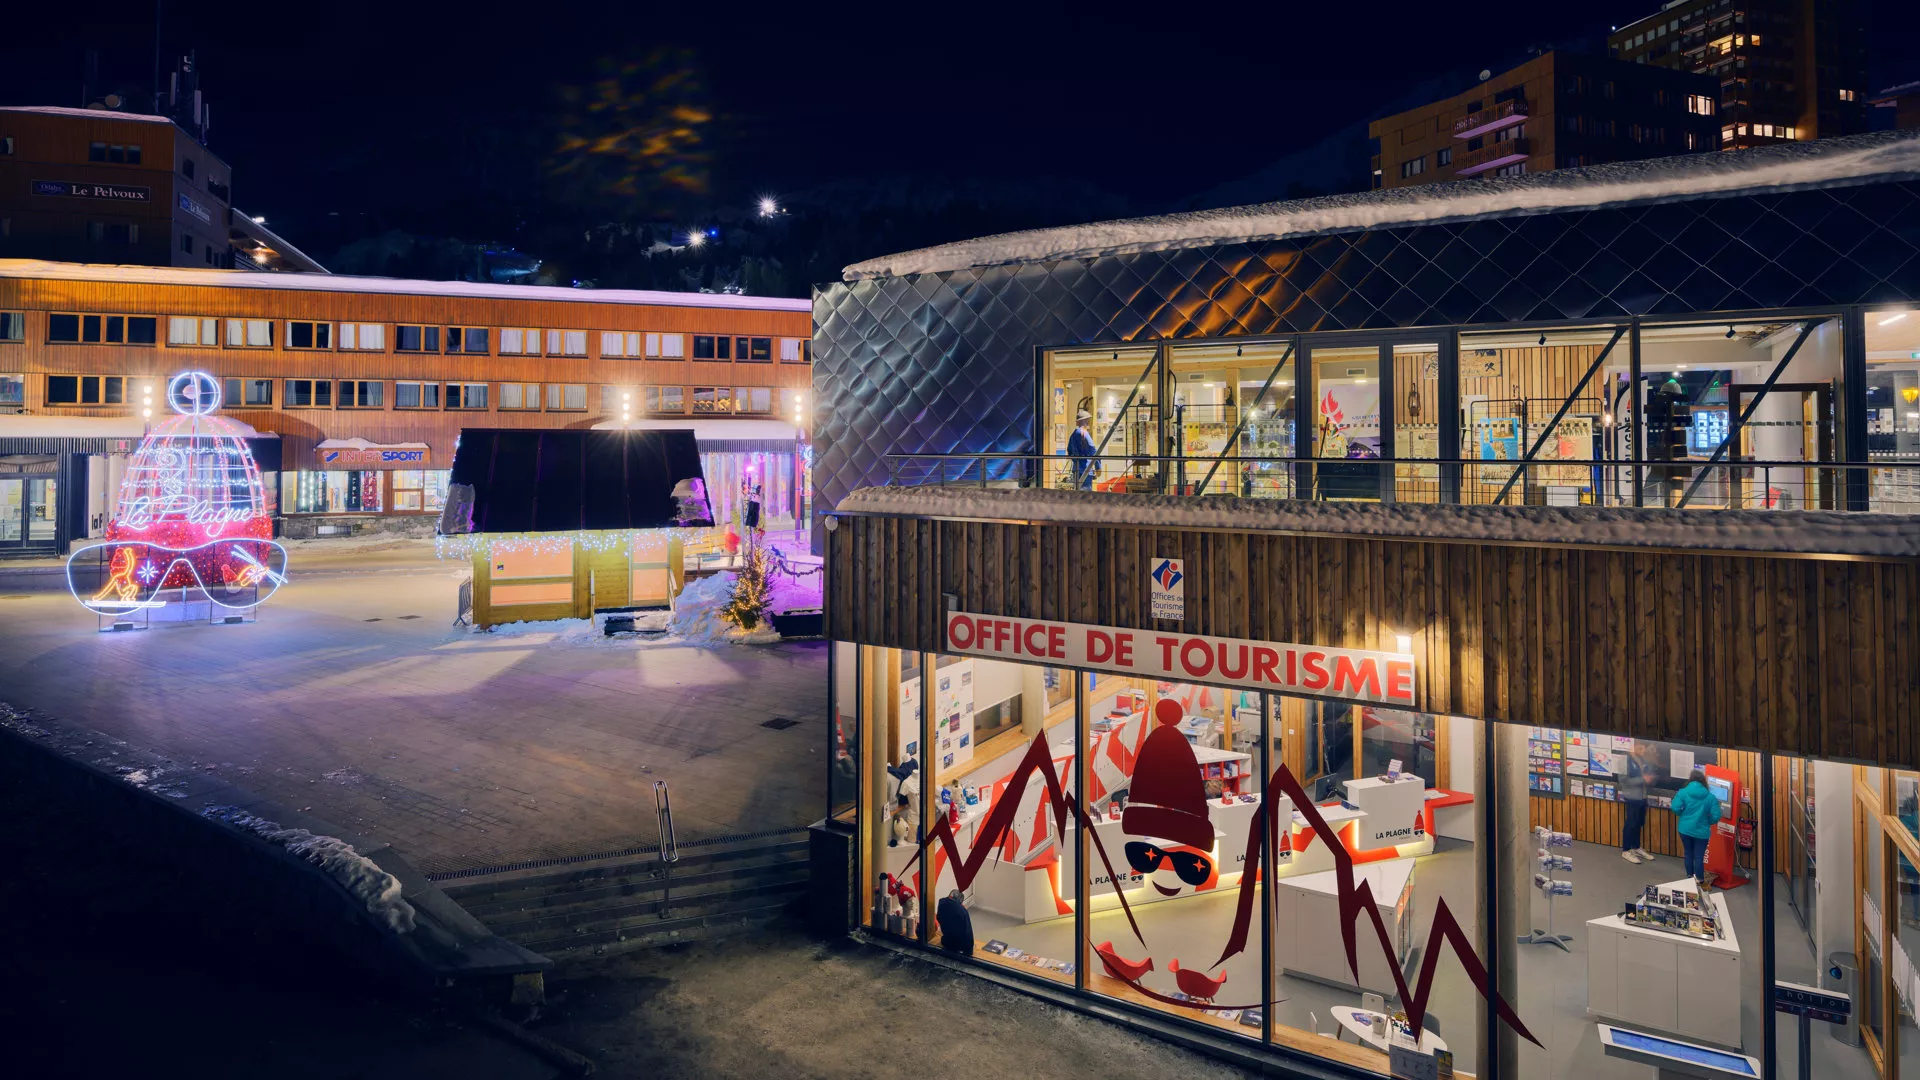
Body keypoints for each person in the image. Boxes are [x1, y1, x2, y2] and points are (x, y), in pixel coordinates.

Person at [1670, 767, 1723, 885]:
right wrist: (1708, 821)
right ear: (1703, 781)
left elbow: (1675, 807)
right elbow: (1716, 816)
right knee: (1699, 857)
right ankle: (1699, 880)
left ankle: (1689, 877)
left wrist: (1682, 815)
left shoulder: (1682, 792)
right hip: (1702, 832)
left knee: (1688, 853)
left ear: (1690, 779)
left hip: (1685, 829)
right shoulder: (1710, 797)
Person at [1620, 745, 1653, 864]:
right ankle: (1626, 850)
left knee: (1639, 823)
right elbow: (1623, 779)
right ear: (1633, 747)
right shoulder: (1625, 760)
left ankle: (1636, 847)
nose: (1644, 750)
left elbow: (1648, 774)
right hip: (1632, 797)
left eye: (1644, 748)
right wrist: (1642, 779)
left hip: (1643, 797)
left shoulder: (1643, 760)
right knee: (1631, 823)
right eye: (1641, 748)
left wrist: (1650, 777)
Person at [936, 887, 974, 955]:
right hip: (960, 947)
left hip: (946, 942)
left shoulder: (941, 902)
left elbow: (938, 917)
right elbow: (968, 932)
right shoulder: (962, 911)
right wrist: (970, 950)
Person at [1067, 410, 1097, 490]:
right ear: (1085, 421)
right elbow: (1093, 449)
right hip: (1086, 469)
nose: (1088, 422)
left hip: (1076, 469)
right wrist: (1098, 466)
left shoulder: (1073, 435)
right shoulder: (1084, 433)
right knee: (1086, 494)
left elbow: (1069, 451)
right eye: (1088, 420)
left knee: (1078, 493)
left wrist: (1076, 461)